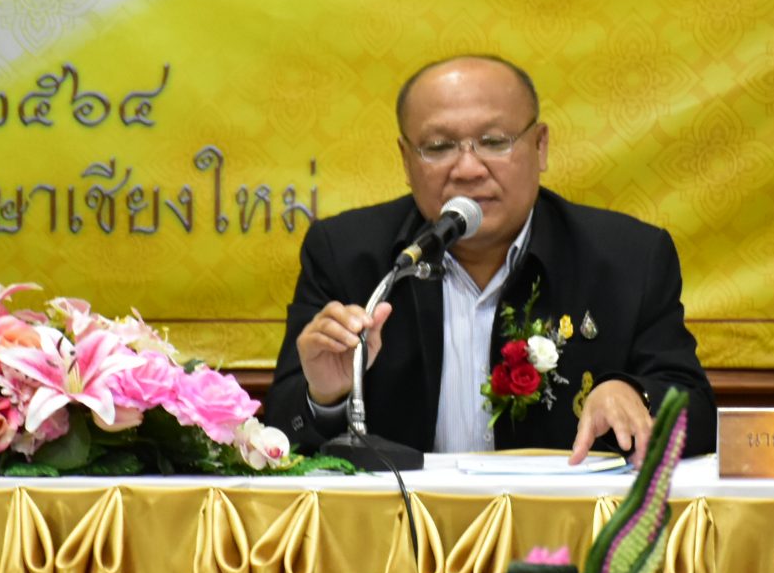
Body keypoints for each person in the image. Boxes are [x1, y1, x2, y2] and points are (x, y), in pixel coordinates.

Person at [266, 55, 715, 462]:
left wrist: (635, 394)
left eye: (494, 141)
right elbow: (281, 434)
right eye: (438, 147)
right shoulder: (349, 256)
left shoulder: (628, 257)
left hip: (559, 521)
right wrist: (325, 398)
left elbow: (698, 414)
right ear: (406, 160)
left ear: (540, 146)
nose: (468, 169)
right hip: (397, 522)